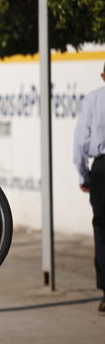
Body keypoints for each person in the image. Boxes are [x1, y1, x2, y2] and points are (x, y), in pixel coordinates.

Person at [73, 62, 105, 312]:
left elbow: (80, 143)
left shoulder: (94, 99)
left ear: (103, 75)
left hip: (102, 169)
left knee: (102, 229)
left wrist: (84, 176)